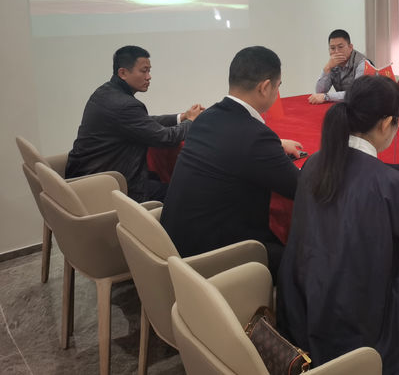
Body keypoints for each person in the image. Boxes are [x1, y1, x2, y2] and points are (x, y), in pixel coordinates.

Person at [278, 76, 399, 374]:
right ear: (385, 124)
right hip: (363, 328)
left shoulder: (315, 162)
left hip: (307, 308)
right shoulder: (388, 183)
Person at [160, 46, 303, 278]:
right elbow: (301, 187)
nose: (277, 93)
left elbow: (234, 144)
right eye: (278, 86)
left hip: (174, 247)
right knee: (310, 261)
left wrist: (275, 143)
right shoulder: (255, 136)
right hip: (212, 259)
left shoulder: (207, 117)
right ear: (265, 87)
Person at [66, 45, 203, 202]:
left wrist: (182, 117)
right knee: (188, 194)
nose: (149, 77)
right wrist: (191, 121)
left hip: (87, 176)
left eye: (149, 71)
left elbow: (142, 122)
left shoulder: (104, 92)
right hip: (107, 187)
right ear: (123, 73)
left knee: (160, 180)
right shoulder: (124, 104)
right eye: (144, 71)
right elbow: (165, 138)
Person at [308, 29, 367, 104]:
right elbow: (320, 92)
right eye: (332, 48)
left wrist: (326, 97)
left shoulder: (362, 63)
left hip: (364, 106)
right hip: (344, 105)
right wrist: (327, 68)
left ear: (350, 47)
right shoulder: (332, 64)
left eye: (340, 47)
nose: (336, 51)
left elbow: (355, 93)